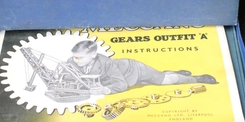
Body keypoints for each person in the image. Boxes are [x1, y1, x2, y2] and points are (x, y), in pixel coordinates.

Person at [67, 40, 217, 94]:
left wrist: (106, 90)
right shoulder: (72, 61)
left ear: (93, 55)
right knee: (157, 77)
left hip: (135, 70)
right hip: (123, 74)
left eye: (80, 57)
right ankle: (171, 72)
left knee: (165, 80)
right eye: (74, 56)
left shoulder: (107, 63)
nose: (76, 60)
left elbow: (121, 84)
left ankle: (196, 78)